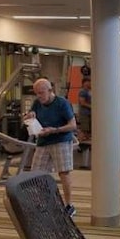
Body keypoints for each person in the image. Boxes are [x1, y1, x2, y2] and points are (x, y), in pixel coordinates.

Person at [24, 78, 78, 217]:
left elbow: (73, 125)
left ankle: (69, 205)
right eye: (36, 93)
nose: (39, 96)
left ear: (50, 90)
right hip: (43, 141)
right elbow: (27, 119)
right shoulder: (37, 103)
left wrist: (54, 130)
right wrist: (29, 116)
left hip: (60, 139)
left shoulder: (62, 103)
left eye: (41, 93)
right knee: (36, 174)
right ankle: (44, 202)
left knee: (63, 172)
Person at [78, 77, 92, 142]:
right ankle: (80, 144)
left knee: (88, 130)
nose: (90, 83)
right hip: (84, 114)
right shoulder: (82, 91)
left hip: (89, 114)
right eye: (88, 82)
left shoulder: (89, 91)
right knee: (84, 129)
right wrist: (92, 107)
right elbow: (82, 102)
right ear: (85, 83)